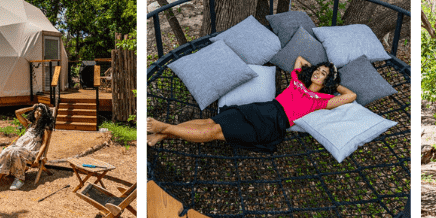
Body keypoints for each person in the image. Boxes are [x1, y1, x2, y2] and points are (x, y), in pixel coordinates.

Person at [147, 56, 357, 152]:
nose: (319, 74)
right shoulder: (296, 82)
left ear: (327, 81)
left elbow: (351, 95)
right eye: (319, 71)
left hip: (273, 124)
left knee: (214, 132)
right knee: (208, 121)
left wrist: (333, 81)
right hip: (261, 108)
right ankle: (164, 133)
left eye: (324, 75)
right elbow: (301, 60)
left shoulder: (322, 101)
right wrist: (315, 69)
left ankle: (163, 128)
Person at [0, 103, 55, 196]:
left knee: (13, 150)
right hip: (17, 149)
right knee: (8, 150)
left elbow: (44, 144)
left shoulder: (45, 128)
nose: (37, 112)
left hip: (31, 152)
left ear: (44, 115)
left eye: (40, 111)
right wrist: (32, 107)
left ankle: (20, 178)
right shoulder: (28, 125)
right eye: (36, 110)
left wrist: (38, 158)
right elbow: (17, 113)